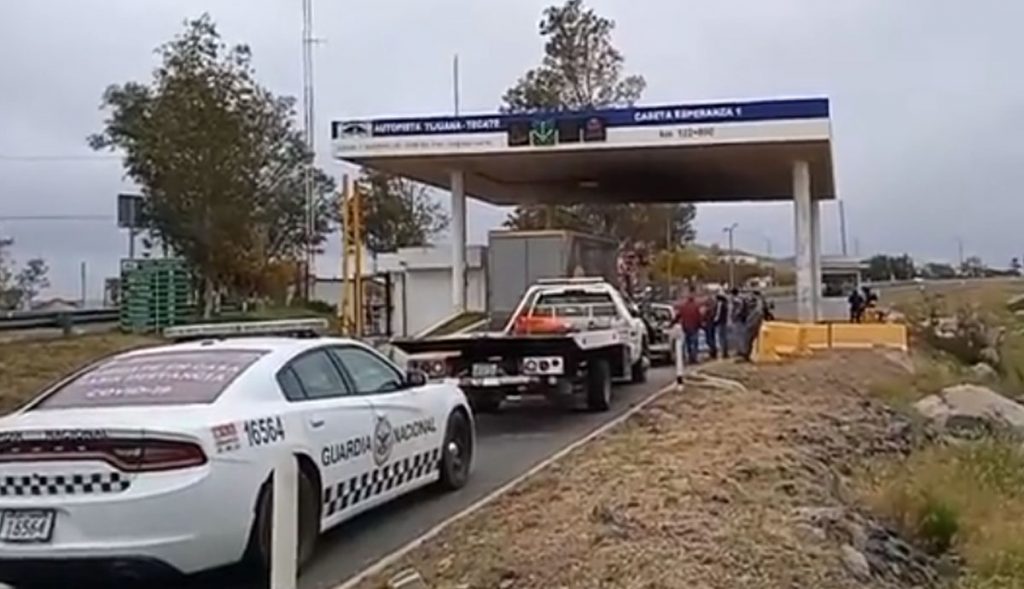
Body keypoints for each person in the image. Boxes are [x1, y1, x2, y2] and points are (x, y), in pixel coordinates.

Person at [674, 290, 703, 365]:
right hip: (694, 326)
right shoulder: (696, 306)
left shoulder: (683, 306)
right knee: (694, 342)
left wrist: (672, 322)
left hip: (686, 327)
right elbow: (699, 317)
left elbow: (678, 316)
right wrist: (701, 325)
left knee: (688, 342)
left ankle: (690, 356)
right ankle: (694, 357)